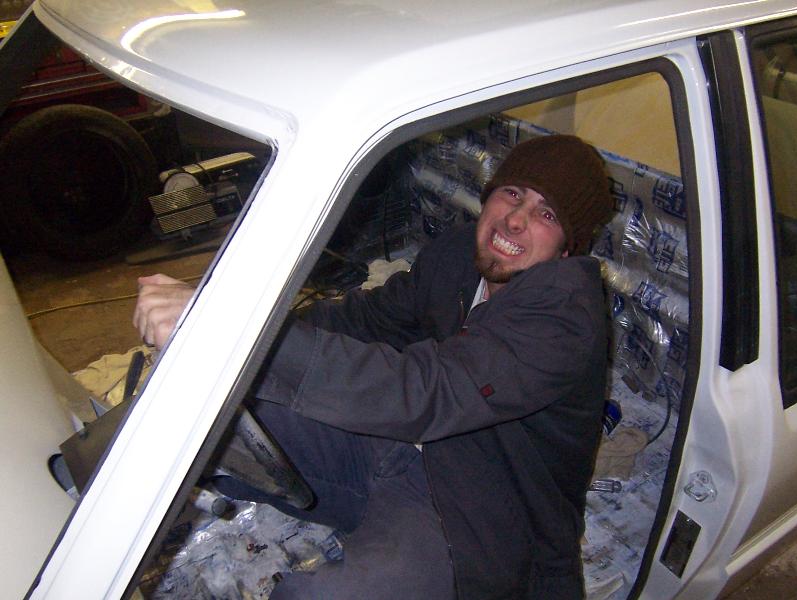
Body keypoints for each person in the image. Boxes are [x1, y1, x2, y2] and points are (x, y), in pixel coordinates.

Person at [133, 134, 614, 599]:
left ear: (567, 247)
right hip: (393, 450)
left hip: (483, 509)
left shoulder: (565, 316)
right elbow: (370, 318)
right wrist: (253, 328)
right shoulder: (459, 254)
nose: (515, 220)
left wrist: (240, 334)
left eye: (546, 214)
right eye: (512, 194)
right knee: (206, 420)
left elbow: (427, 391)